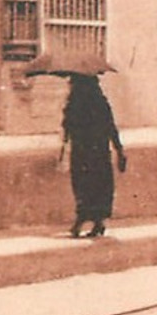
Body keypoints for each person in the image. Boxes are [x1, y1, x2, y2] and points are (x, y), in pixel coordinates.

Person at [60, 73, 127, 238]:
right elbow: (111, 127)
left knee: (83, 186)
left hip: (83, 152)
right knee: (98, 186)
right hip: (99, 152)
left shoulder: (74, 104)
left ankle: (82, 221)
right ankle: (97, 222)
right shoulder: (100, 103)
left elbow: (68, 128)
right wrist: (119, 150)